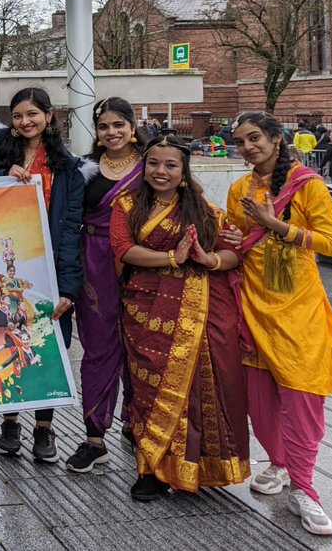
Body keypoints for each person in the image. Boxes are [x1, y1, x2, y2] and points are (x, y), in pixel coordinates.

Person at [110, 135, 249, 502]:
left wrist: (208, 260)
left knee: (196, 388)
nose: (161, 171)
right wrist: (174, 257)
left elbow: (232, 254)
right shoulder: (126, 206)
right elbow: (125, 251)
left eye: (171, 165)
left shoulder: (206, 213)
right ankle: (150, 469)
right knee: (148, 391)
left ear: (184, 172)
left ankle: (197, 467)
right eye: (154, 163)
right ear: (144, 167)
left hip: (199, 311)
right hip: (145, 311)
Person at [228, 112, 332, 537]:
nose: (247, 147)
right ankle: (277, 463)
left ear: (276, 138)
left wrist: (274, 225)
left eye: (255, 138)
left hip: (299, 310)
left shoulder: (307, 184)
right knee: (261, 403)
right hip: (254, 305)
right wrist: (234, 240)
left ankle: (305, 489)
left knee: (302, 402)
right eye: (240, 142)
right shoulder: (240, 189)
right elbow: (237, 240)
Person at [0, 87, 83, 463]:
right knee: (6, 340)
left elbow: (72, 228)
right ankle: (10, 419)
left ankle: (44, 426)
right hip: (8, 267)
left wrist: (69, 286)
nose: (25, 122)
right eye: (18, 115)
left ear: (49, 115)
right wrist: (0, 177)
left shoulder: (67, 166)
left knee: (47, 345)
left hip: (49, 268)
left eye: (33, 115)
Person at [66, 98, 144, 473]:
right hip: (94, 261)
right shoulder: (85, 169)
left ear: (133, 125)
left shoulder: (153, 165)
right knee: (98, 349)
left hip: (143, 263)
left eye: (119, 125)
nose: (112, 133)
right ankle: (95, 437)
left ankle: (137, 422)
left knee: (142, 345)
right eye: (104, 127)